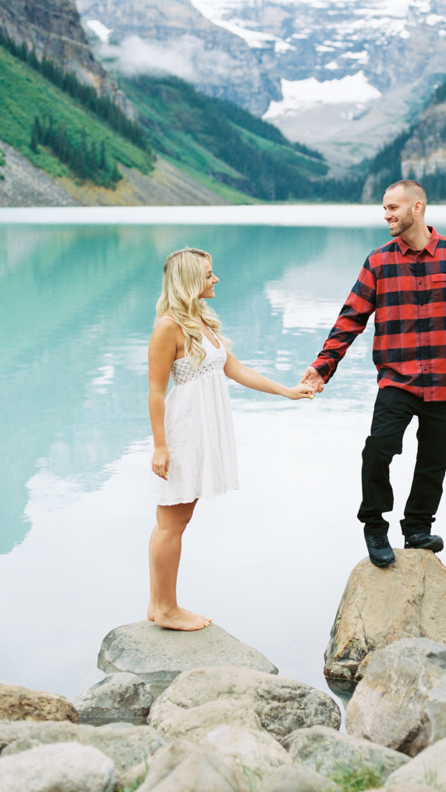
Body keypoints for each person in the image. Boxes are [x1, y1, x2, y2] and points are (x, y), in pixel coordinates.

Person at [302, 180, 446, 567]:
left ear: (417, 207)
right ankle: (375, 526)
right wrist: (323, 367)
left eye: (393, 208)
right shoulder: (378, 261)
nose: (386, 215)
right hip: (397, 380)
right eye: (384, 209)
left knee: (435, 457)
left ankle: (417, 529)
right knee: (379, 449)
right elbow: (350, 319)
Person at [148, 247, 315, 631]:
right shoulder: (169, 326)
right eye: (208, 275)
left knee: (178, 519)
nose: (216, 279)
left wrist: (287, 391)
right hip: (184, 430)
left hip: (203, 428)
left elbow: (235, 369)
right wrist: (160, 446)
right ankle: (167, 609)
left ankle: (158, 604)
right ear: (190, 280)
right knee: (171, 521)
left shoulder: (201, 321)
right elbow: (156, 392)